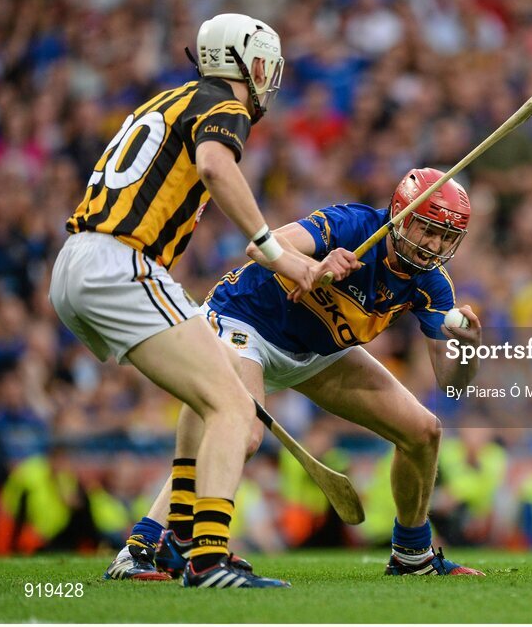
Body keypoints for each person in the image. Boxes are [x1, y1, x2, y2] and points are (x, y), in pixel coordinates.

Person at [51, 13, 332, 589]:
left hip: (82, 262)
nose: (270, 80)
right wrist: (273, 250)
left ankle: (151, 547)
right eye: (266, 66)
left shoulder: (173, 98)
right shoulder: (223, 105)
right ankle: (208, 557)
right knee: (235, 409)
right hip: (121, 263)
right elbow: (212, 165)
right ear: (245, 64)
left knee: (214, 394)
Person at [107, 167, 485, 578]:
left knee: (423, 431)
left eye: (446, 237)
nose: (434, 245)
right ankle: (144, 545)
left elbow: (451, 386)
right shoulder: (351, 224)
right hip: (244, 322)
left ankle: (413, 554)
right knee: (243, 434)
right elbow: (261, 248)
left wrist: (468, 351)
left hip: (315, 352)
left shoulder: (432, 284)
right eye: (427, 229)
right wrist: (311, 265)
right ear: (401, 213)